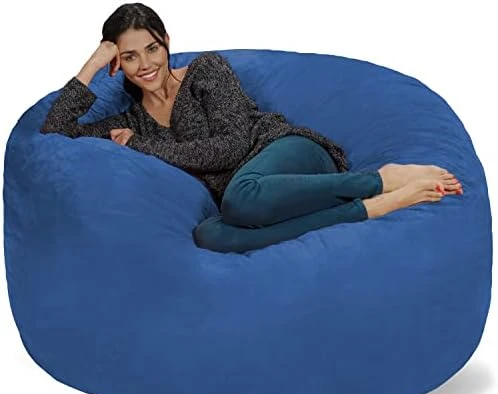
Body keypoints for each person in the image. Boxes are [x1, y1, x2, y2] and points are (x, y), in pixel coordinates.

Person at [40, 2, 464, 254]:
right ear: (118, 63)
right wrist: (92, 65)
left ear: (167, 41)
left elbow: (230, 146)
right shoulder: (131, 122)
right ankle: (372, 208)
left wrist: (142, 147)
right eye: (130, 56)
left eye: (152, 48)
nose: (146, 64)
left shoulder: (206, 70)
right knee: (210, 235)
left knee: (241, 197)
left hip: (291, 154)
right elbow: (54, 133)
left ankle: (379, 180)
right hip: (254, 203)